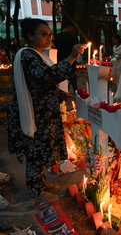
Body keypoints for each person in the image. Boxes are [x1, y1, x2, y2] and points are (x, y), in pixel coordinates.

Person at [6, 18, 86, 202]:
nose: (49, 37)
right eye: (44, 34)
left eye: (50, 34)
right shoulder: (28, 55)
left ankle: (40, 184)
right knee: (34, 150)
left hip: (43, 112)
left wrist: (59, 94)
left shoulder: (38, 55)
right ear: (29, 36)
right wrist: (72, 57)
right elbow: (46, 76)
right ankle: (36, 191)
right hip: (34, 113)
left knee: (42, 149)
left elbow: (39, 83)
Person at [53, 21, 79, 93]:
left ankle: (63, 89)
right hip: (70, 57)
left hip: (60, 57)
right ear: (69, 27)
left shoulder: (57, 36)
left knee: (62, 73)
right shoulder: (70, 36)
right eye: (71, 28)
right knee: (72, 74)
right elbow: (73, 47)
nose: (72, 29)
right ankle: (75, 90)